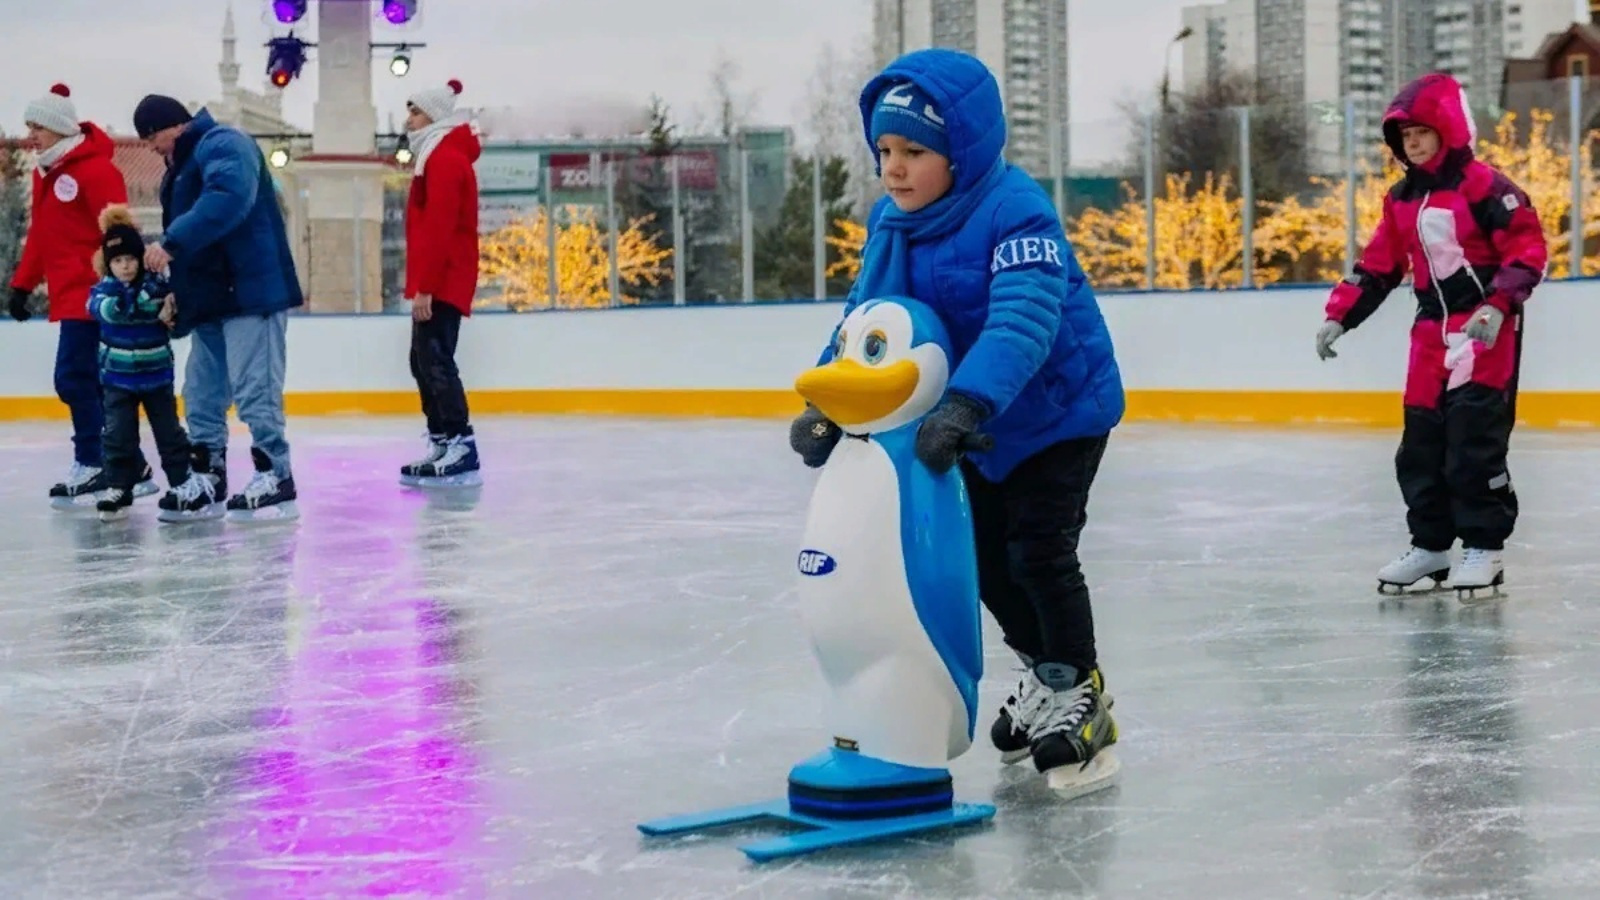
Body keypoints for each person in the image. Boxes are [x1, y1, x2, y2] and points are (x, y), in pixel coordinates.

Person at [789, 49, 1126, 784]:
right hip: (969, 423)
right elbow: (866, 321)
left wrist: (968, 400)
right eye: (884, 151)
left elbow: (1023, 320)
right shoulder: (893, 225)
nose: (895, 169)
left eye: (915, 151)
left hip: (1056, 414)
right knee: (985, 565)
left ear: (961, 150)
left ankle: (1082, 690)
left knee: (1039, 550)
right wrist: (828, 403)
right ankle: (1045, 671)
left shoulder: (1016, 209)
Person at [1315, 72, 1547, 596]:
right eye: (1404, 136)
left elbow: (1526, 249)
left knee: (1473, 442)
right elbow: (1377, 264)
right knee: (1420, 446)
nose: (1412, 143)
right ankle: (1431, 547)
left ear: (1447, 128)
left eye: (1421, 131)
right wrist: (1340, 315)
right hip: (1429, 334)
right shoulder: (1400, 200)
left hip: (1484, 330)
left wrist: (1497, 305)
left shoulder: (1486, 186)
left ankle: (1483, 549)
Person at [131, 94, 304, 521]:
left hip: (249, 293)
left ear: (174, 125)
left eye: (153, 136)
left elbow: (227, 200)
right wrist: (179, 294)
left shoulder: (223, 144)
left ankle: (275, 474)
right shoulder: (182, 167)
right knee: (202, 395)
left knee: (254, 389)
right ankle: (209, 474)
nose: (152, 147)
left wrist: (170, 243)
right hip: (211, 301)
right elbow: (199, 250)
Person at [8, 83, 155, 505]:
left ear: (58, 128)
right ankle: (130, 464)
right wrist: (22, 284)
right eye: (29, 126)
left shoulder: (94, 170)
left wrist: (125, 285)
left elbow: (119, 231)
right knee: (85, 380)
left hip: (97, 296)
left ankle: (95, 462)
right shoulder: (48, 174)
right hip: (69, 295)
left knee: (76, 378)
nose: (31, 134)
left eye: (38, 126)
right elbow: (41, 235)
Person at [399, 78, 482, 486]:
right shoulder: (433, 154)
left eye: (415, 111)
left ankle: (460, 443)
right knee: (422, 360)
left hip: (445, 276)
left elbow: (441, 226)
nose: (408, 119)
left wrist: (427, 286)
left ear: (434, 114)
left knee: (435, 360)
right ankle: (442, 438)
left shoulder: (445, 157)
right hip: (437, 275)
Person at [85, 205, 192, 519]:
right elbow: (99, 308)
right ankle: (120, 485)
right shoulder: (104, 291)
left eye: (130, 259)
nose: (125, 267)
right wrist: (123, 301)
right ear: (108, 264)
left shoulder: (156, 287)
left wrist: (158, 302)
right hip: (117, 380)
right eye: (117, 261)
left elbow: (165, 308)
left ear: (140, 259)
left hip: (156, 376)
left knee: (169, 432)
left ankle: (181, 482)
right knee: (118, 435)